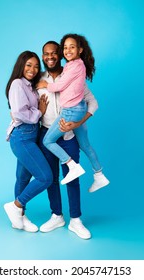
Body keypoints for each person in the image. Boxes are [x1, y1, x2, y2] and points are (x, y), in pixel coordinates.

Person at [37, 41, 100, 239]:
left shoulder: (72, 74)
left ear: (60, 55)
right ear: (43, 56)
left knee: (73, 178)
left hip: (69, 137)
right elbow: (25, 106)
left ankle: (76, 220)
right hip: (47, 133)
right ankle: (57, 216)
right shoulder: (38, 80)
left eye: (54, 53)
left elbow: (92, 102)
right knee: (52, 179)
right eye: (46, 54)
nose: (50, 57)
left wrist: (77, 123)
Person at [37, 34, 109, 188]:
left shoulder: (75, 66)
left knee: (48, 141)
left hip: (71, 111)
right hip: (78, 109)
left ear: (80, 50)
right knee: (85, 145)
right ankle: (99, 174)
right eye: (65, 47)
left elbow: (59, 86)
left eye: (72, 47)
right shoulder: (74, 67)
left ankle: (72, 165)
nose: (68, 50)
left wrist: (45, 85)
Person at [4, 51, 53, 233]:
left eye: (35, 66)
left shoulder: (30, 84)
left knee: (23, 178)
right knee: (45, 177)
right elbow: (19, 113)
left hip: (31, 135)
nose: (32, 70)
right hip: (22, 137)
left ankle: (19, 218)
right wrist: (39, 112)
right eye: (28, 65)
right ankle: (16, 205)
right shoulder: (17, 84)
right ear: (21, 66)